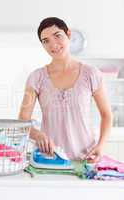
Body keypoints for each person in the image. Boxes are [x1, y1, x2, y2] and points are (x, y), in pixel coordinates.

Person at [18, 17, 112, 163]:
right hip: (50, 159)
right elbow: (23, 120)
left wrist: (100, 145)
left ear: (68, 35)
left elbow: (106, 115)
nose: (53, 44)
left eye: (57, 36)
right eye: (46, 41)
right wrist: (38, 135)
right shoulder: (36, 78)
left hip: (86, 159)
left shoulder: (91, 74)